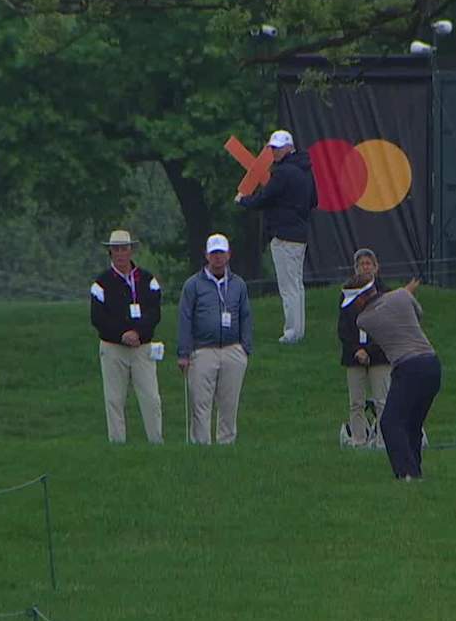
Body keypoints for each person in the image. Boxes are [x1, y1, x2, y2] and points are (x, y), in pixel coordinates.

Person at [352, 277, 439, 480]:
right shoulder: (401, 295)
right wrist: (404, 293)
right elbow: (418, 314)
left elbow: (377, 317)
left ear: (360, 299)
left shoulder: (363, 320)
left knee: (390, 422)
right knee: (412, 423)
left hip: (408, 367)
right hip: (432, 363)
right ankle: (415, 471)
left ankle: (406, 473)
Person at [234, 129, 315, 344]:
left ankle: (292, 333)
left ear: (289, 148)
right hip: (300, 233)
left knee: (288, 287)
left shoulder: (283, 172)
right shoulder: (306, 170)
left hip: (283, 234)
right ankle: (298, 331)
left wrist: (243, 200)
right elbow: (314, 199)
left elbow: (264, 198)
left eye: (278, 148)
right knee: (296, 285)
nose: (275, 152)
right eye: (273, 148)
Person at [176, 234, 253, 445]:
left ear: (228, 255)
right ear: (206, 255)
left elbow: (246, 316)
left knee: (229, 404)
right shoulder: (193, 285)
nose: (217, 257)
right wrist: (184, 353)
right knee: (200, 404)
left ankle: (226, 444)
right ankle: (201, 445)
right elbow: (185, 318)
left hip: (232, 349)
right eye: (214, 253)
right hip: (203, 350)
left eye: (221, 253)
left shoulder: (238, 284)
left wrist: (245, 348)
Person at [89, 229, 164, 444]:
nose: (121, 254)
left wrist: (137, 332)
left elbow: (154, 312)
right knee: (114, 400)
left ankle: (156, 441)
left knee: (151, 398)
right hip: (113, 348)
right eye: (116, 250)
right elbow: (98, 318)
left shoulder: (147, 279)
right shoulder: (101, 283)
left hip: (142, 347)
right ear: (110, 253)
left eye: (124, 249)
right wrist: (122, 334)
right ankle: (117, 443)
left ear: (131, 251)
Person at [338, 249, 390, 446]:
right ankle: (358, 439)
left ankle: (383, 441)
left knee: (382, 401)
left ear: (376, 267)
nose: (365, 267)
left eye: (369, 263)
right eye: (361, 264)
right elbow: (344, 328)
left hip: (379, 354)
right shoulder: (347, 293)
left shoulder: (385, 293)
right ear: (356, 268)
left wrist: (369, 350)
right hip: (354, 355)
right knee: (356, 402)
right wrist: (357, 350)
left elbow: (386, 327)